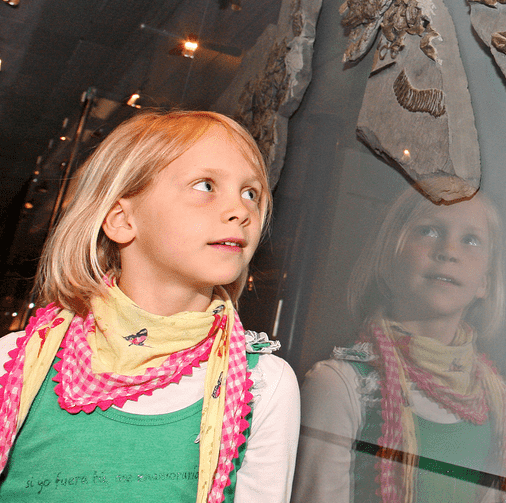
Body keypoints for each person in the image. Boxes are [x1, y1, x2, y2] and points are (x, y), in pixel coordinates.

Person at [0, 110, 300, 502]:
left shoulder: (264, 385)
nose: (241, 211)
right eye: (206, 185)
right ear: (122, 220)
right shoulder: (15, 365)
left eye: (251, 194)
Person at [293, 187, 506, 503]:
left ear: (485, 281)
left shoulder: (498, 400)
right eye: (429, 231)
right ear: (388, 259)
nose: (449, 251)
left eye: (470, 240)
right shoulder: (341, 385)